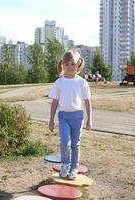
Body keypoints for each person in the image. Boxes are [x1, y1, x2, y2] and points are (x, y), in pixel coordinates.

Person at [49, 50, 92, 180]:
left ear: (78, 65)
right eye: (67, 64)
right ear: (62, 65)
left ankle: (74, 169)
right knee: (65, 143)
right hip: (63, 117)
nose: (70, 67)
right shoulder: (59, 82)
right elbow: (54, 103)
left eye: (73, 64)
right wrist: (51, 120)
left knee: (75, 144)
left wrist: (89, 120)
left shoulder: (82, 83)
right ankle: (65, 166)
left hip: (77, 117)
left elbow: (87, 102)